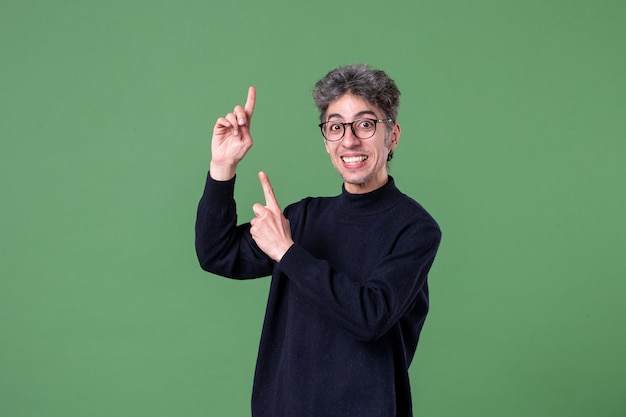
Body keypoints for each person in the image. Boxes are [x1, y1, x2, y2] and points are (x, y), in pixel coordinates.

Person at [195, 64, 441, 417]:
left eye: (366, 124)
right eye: (336, 126)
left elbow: (370, 317)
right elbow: (216, 254)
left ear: (393, 135)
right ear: (326, 140)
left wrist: (287, 251)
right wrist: (222, 167)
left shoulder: (415, 228)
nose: (350, 139)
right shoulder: (303, 217)